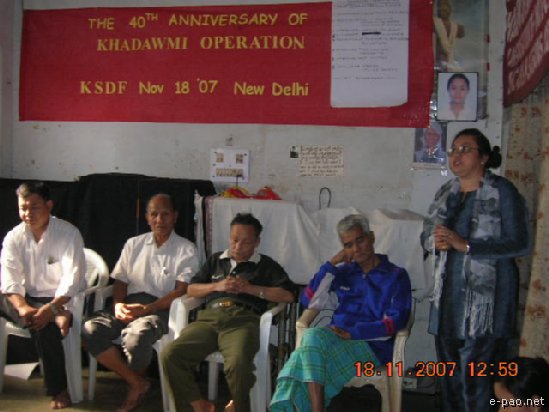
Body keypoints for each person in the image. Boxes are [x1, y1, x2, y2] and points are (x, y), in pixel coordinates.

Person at [421, 128, 531, 411]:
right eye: (453, 150)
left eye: (465, 149)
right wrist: (433, 242)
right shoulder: (446, 192)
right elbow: (426, 234)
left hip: (488, 305)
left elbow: (520, 243)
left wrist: (467, 245)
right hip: (448, 302)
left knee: (478, 381)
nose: (456, 155)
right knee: (450, 378)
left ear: (483, 158)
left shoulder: (502, 191)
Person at [271, 214, 412, 412]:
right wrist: (332, 264)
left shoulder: (395, 275)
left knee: (302, 361)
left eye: (360, 240)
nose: (356, 249)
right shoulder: (344, 273)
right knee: (311, 337)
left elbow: (395, 322)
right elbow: (309, 301)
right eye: (348, 245)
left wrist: (354, 333)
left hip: (372, 345)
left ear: (371, 237)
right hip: (335, 337)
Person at [161, 212, 296, 412]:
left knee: (238, 363)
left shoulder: (266, 265)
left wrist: (250, 288)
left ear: (257, 242)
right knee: (171, 354)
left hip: (243, 320)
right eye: (234, 240)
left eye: (246, 242)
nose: (238, 247)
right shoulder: (216, 260)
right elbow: (191, 289)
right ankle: (197, 405)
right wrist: (217, 286)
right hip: (209, 319)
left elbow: (288, 295)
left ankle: (239, 406)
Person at [82, 193, 199, 412]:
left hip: (162, 308)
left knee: (137, 337)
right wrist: (118, 304)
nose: (159, 220)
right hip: (129, 304)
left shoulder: (187, 249)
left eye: (165, 214)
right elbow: (120, 280)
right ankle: (136, 382)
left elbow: (181, 291)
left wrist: (149, 308)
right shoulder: (133, 244)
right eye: (154, 214)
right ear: (146, 217)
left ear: (175, 216)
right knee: (90, 329)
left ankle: (134, 387)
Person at [0, 181, 86, 409]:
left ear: (49, 205)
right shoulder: (14, 237)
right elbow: (9, 279)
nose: (28, 214)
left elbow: (72, 279)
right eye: (23, 208)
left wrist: (52, 308)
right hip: (25, 299)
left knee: (43, 325)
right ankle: (50, 316)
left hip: (59, 299)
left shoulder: (68, 234)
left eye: (34, 207)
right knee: (30, 313)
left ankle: (58, 390)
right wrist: (23, 307)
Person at [433, 0, 465, 71]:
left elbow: (462, 34)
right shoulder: (433, 23)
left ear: (450, 9)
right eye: (441, 6)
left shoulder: (458, 27)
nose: (444, 8)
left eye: (446, 6)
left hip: (448, 64)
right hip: (436, 63)